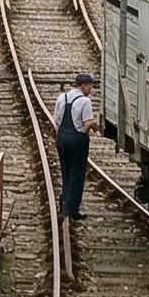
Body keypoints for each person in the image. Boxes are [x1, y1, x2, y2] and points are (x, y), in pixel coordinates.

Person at [54, 72, 97, 219]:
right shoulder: (85, 102)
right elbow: (86, 125)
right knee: (76, 174)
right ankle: (70, 209)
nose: (91, 89)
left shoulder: (62, 98)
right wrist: (94, 125)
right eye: (90, 86)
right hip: (76, 139)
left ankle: (63, 202)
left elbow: (56, 123)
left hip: (61, 138)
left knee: (66, 172)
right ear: (83, 86)